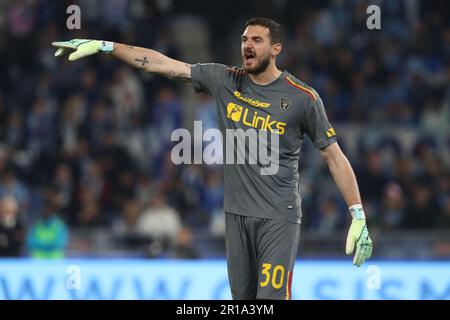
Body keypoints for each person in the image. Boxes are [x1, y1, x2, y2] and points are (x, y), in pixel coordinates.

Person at [52, 17, 372, 300]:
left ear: (276, 49)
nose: (247, 45)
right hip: (234, 215)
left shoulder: (302, 97)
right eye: (244, 39)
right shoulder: (225, 80)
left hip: (278, 217)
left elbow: (334, 156)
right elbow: (159, 64)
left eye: (256, 40)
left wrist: (357, 214)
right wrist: (106, 46)